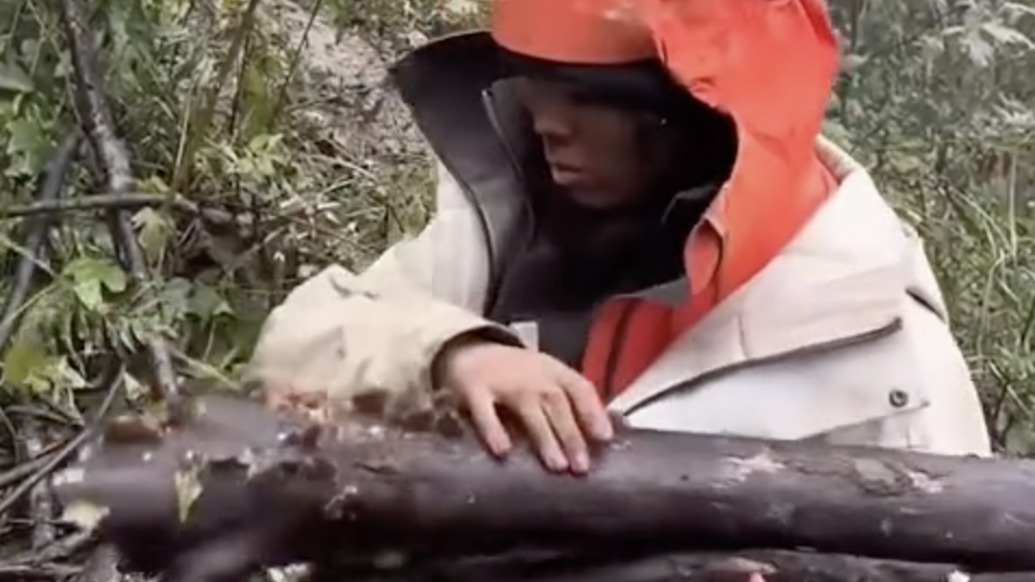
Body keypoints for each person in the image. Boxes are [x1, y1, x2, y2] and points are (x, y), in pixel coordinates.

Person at [246, 0, 992, 479]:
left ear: (691, 115)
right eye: (532, 84)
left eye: (583, 96)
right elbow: (302, 339)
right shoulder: (495, 237)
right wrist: (453, 351)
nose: (547, 123)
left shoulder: (886, 353)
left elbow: (940, 541)